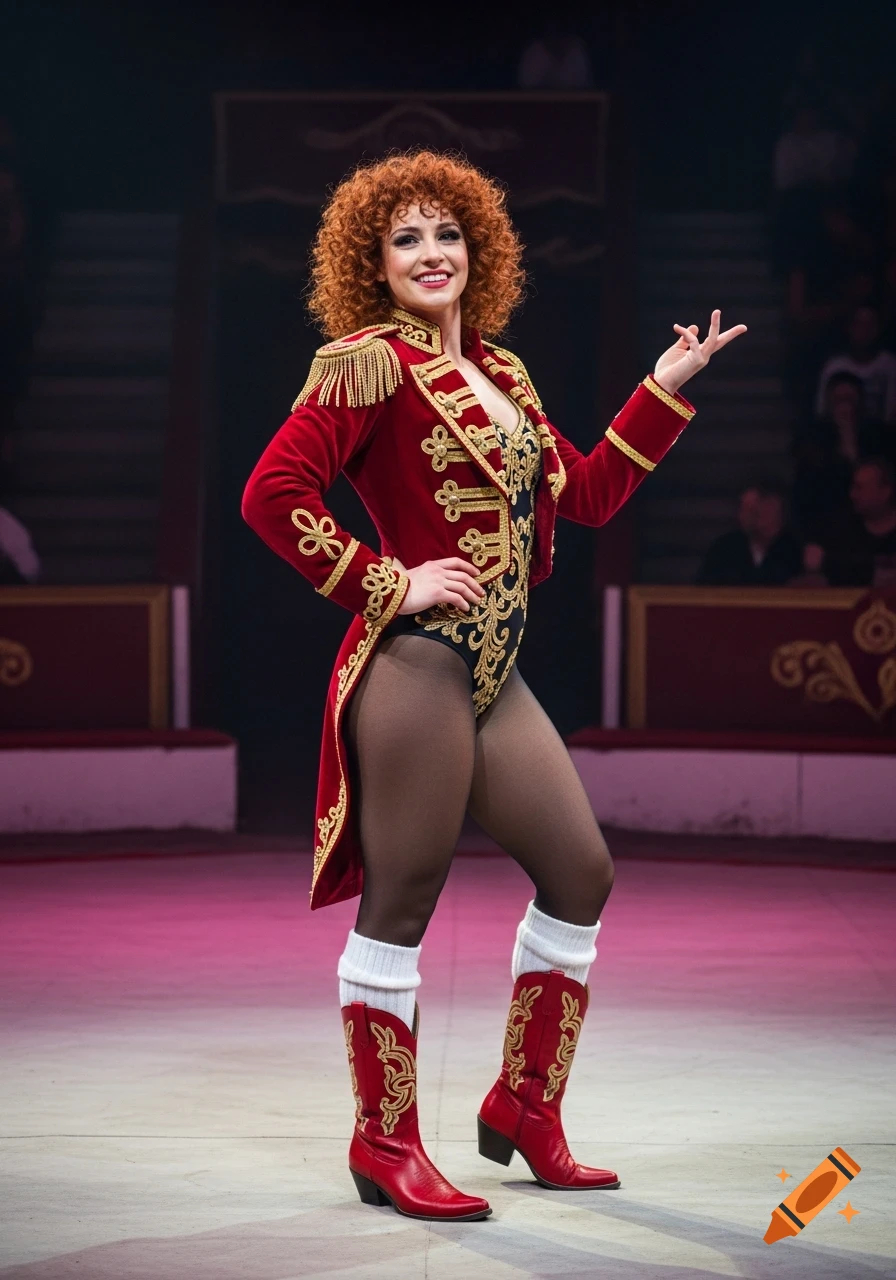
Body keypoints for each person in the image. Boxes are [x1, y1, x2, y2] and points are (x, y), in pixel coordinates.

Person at [241, 151, 745, 1222]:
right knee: (405, 895)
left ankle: (523, 1106)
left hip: (493, 670)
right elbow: (270, 491)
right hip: (416, 668)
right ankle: (384, 1141)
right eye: (405, 239)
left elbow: (592, 494)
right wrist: (386, 578)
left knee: (580, 870)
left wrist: (661, 389)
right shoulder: (365, 363)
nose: (431, 254)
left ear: (479, 251)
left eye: (446, 234)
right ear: (373, 265)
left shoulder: (506, 376)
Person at [793, 370, 894, 542]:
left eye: (849, 399)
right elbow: (809, 484)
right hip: (829, 518)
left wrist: (851, 440)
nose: (845, 406)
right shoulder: (813, 437)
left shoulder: (878, 434)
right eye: (839, 400)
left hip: (876, 521)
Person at [697, 482, 802, 586]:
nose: (752, 517)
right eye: (746, 510)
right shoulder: (723, 549)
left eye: (756, 510)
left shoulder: (797, 551)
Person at [819, 456, 896, 586]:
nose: (853, 494)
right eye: (853, 487)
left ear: (885, 491)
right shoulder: (841, 533)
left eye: (859, 488)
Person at [815, 304, 896, 424]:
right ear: (850, 328)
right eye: (859, 324)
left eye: (870, 324)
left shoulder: (890, 365)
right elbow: (822, 411)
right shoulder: (833, 367)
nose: (864, 330)